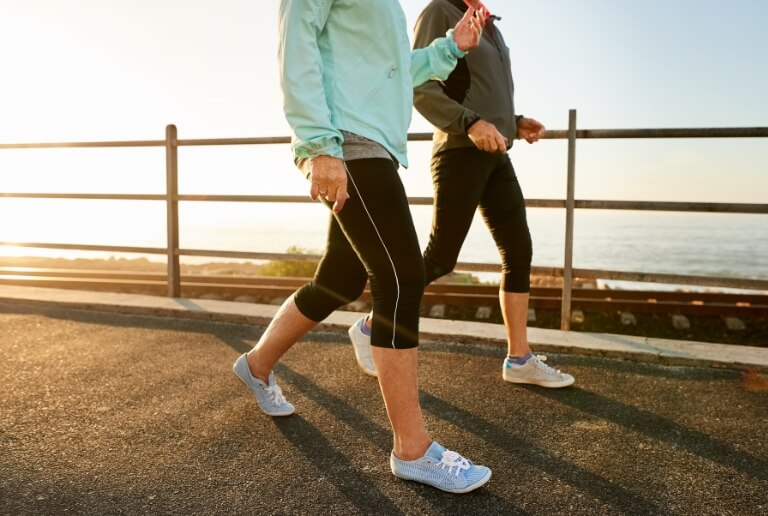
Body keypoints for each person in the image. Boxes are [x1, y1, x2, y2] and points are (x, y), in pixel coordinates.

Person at [232, 0, 492, 494]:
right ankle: (412, 450)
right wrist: (318, 145)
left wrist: (448, 49)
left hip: (372, 143)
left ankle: (256, 365)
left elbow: (392, 69)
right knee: (401, 277)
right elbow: (296, 45)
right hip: (346, 141)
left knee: (340, 279)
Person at [348, 0, 575, 389]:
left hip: (496, 152)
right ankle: (371, 326)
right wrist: (469, 123)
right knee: (441, 257)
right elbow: (416, 82)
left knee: (518, 251)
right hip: (458, 151)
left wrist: (513, 122)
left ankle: (519, 358)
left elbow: (479, 87)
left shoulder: (490, 23)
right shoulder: (440, 11)